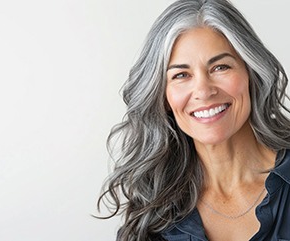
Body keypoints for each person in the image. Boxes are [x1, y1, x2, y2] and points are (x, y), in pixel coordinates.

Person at [97, 0, 290, 240]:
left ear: (251, 72)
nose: (203, 90)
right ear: (163, 96)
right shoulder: (153, 217)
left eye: (220, 67)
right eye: (181, 75)